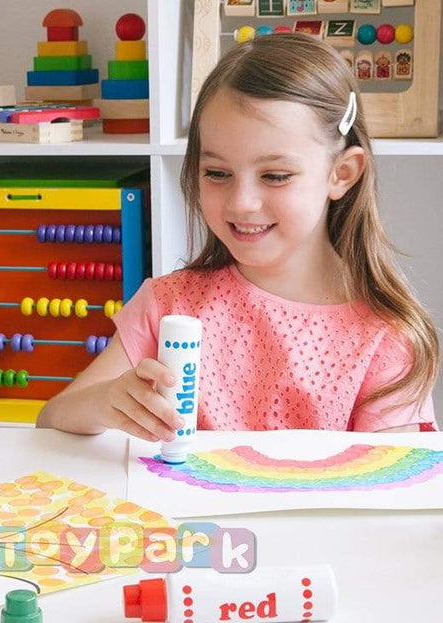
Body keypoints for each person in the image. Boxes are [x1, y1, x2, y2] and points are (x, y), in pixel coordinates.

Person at [38, 33, 438, 438]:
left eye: (275, 176)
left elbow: (391, 474)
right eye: (217, 173)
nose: (242, 202)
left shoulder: (384, 336)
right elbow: (53, 419)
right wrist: (105, 403)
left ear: (342, 173)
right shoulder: (168, 304)